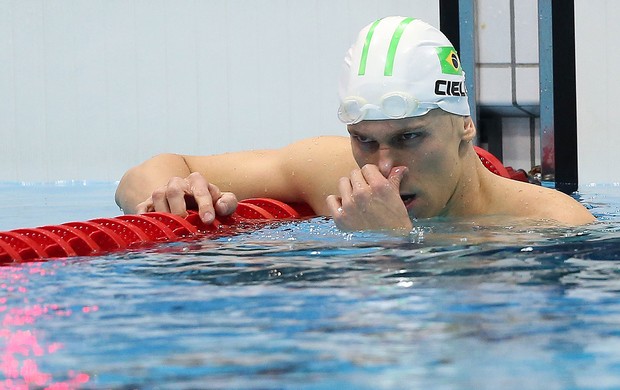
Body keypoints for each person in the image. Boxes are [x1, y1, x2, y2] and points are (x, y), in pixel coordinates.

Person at [115, 16, 595, 232]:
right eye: (365, 141)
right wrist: (172, 193)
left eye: (410, 137)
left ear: (464, 126)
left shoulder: (550, 225)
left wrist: (394, 245)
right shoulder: (329, 168)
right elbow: (145, 172)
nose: (385, 167)